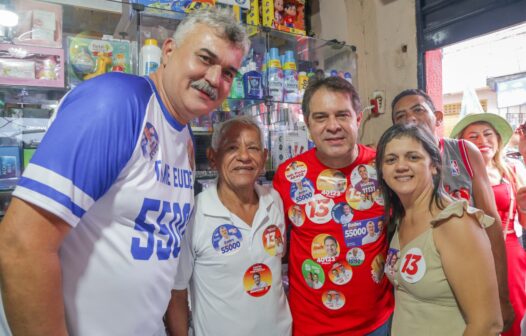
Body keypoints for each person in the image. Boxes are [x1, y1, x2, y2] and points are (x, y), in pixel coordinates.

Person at [0, 8, 249, 336]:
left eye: (229, 73)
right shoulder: (116, 102)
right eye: (205, 58)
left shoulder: (183, 138)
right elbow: (21, 244)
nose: (215, 79)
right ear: (169, 51)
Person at [273, 76, 393, 335]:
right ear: (307, 124)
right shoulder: (288, 175)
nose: (333, 126)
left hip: (379, 323)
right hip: (311, 325)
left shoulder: (383, 167)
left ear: (358, 119)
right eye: (320, 117)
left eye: (342, 115)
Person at [391, 89, 514, 330]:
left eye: (418, 110)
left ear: (437, 117)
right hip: (424, 286)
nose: (410, 119)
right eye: (400, 116)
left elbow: (491, 222)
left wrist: (502, 293)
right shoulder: (397, 164)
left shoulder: (464, 152)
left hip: (474, 278)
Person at [166, 116, 292, 336]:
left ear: (264, 159)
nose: (244, 156)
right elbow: (176, 292)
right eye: (232, 147)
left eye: (252, 147)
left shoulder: (275, 201)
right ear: (213, 158)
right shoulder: (194, 214)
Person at [376, 123, 502, 335]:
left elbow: (488, 325)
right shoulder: (401, 219)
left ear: (434, 165)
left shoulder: (455, 223)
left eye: (413, 157)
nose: (401, 166)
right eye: (391, 160)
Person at [452, 112, 526, 336]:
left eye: (487, 134)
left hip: (510, 253)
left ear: (498, 139)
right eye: (473, 136)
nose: (482, 141)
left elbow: (523, 222)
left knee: (513, 314)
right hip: (470, 256)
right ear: (463, 144)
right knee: (477, 317)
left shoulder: (512, 171)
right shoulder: (455, 178)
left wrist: (523, 208)